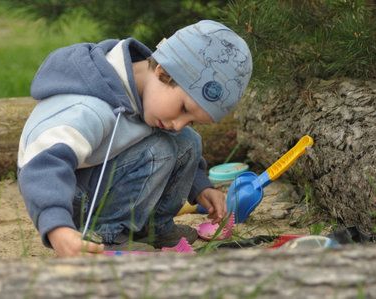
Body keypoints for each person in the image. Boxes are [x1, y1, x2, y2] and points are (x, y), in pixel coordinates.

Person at [17, 20, 253, 257]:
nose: (180, 123)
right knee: (157, 150)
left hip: (96, 180)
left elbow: (180, 137)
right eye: (183, 108)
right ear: (163, 72)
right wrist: (57, 226)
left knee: (187, 141)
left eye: (191, 120)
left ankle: (152, 229)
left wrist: (201, 187)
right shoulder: (90, 108)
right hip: (63, 192)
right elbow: (41, 164)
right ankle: (103, 235)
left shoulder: (145, 94)